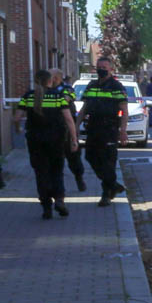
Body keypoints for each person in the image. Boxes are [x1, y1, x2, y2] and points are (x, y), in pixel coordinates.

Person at [18, 68, 76, 218]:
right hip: (56, 140)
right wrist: (74, 139)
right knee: (57, 171)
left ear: (36, 80)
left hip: (35, 141)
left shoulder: (28, 96)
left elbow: (16, 118)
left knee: (41, 172)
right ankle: (59, 199)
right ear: (50, 80)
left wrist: (18, 128)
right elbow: (69, 120)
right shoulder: (58, 96)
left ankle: (46, 207)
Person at [79, 58, 129, 205]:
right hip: (93, 127)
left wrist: (123, 130)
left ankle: (106, 194)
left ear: (111, 69)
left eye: (104, 67)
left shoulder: (116, 86)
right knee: (90, 156)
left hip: (110, 127)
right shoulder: (92, 85)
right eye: (99, 67)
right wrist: (76, 126)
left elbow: (124, 110)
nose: (101, 69)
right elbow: (84, 108)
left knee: (108, 161)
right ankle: (113, 185)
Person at [48, 69, 87, 193]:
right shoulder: (45, 89)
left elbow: (67, 99)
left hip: (67, 128)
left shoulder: (68, 89)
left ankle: (79, 176)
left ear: (56, 78)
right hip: (51, 129)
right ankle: (57, 187)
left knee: (73, 157)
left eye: (50, 76)